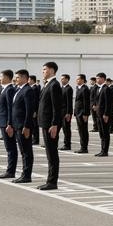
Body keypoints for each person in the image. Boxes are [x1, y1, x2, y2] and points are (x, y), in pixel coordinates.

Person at [37, 62, 64, 190]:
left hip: (50, 125)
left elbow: (57, 107)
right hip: (45, 123)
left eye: (45, 69)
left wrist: (54, 124)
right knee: (49, 153)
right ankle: (49, 180)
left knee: (52, 153)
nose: (43, 71)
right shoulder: (47, 84)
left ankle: (52, 182)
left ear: (52, 70)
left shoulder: (54, 85)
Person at [12, 69, 36, 183]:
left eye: (17, 77)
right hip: (17, 125)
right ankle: (24, 173)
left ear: (24, 78)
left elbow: (29, 110)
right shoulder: (19, 89)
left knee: (26, 151)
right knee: (23, 151)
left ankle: (27, 175)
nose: (15, 79)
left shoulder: (27, 90)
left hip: (23, 126)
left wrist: (26, 126)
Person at [0, 70, 17, 178]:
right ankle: (10, 170)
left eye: (2, 76)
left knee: (11, 148)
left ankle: (10, 171)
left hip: (6, 123)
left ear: (8, 77)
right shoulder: (3, 89)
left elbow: (10, 108)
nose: (0, 78)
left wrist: (10, 124)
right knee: (8, 147)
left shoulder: (9, 90)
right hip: (2, 122)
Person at [94, 73, 113, 157]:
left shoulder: (106, 89)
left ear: (103, 79)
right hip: (99, 114)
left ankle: (105, 151)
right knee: (101, 133)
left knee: (105, 133)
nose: (97, 80)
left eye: (98, 78)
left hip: (104, 115)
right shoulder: (99, 88)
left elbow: (108, 103)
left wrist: (106, 114)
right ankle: (102, 149)